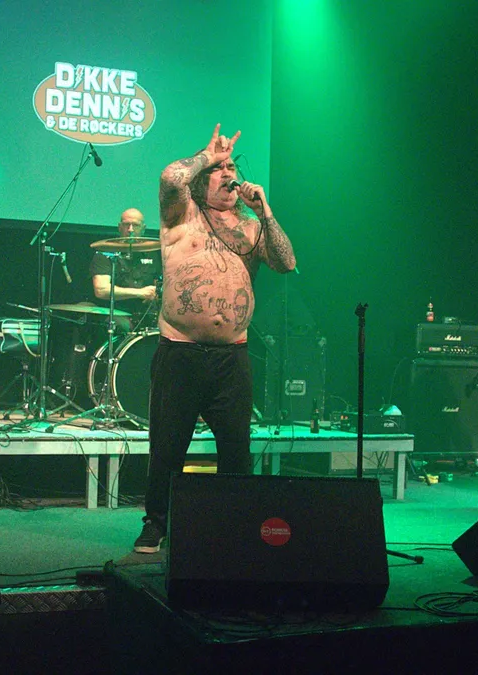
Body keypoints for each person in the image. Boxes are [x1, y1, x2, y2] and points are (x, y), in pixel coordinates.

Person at [134, 124, 296, 553]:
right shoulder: (181, 214)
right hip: (180, 352)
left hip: (231, 357)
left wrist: (266, 213)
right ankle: (156, 524)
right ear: (202, 179)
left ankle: (235, 525)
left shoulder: (250, 226)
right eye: (220, 170)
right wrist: (209, 155)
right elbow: (171, 177)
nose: (229, 175)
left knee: (236, 451)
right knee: (168, 448)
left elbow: (286, 262)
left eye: (232, 169)